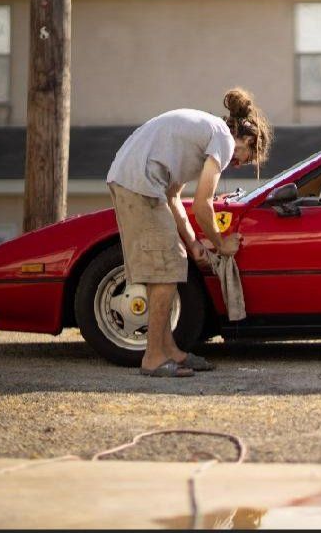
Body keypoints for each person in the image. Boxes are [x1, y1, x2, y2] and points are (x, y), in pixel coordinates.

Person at [105, 88, 272, 377]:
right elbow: (202, 204)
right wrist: (222, 244)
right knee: (167, 268)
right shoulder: (222, 139)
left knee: (171, 262)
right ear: (246, 138)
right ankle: (154, 358)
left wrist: (193, 242)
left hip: (131, 178)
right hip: (139, 183)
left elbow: (173, 197)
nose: (241, 163)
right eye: (248, 155)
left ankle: (171, 351)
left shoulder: (202, 136)